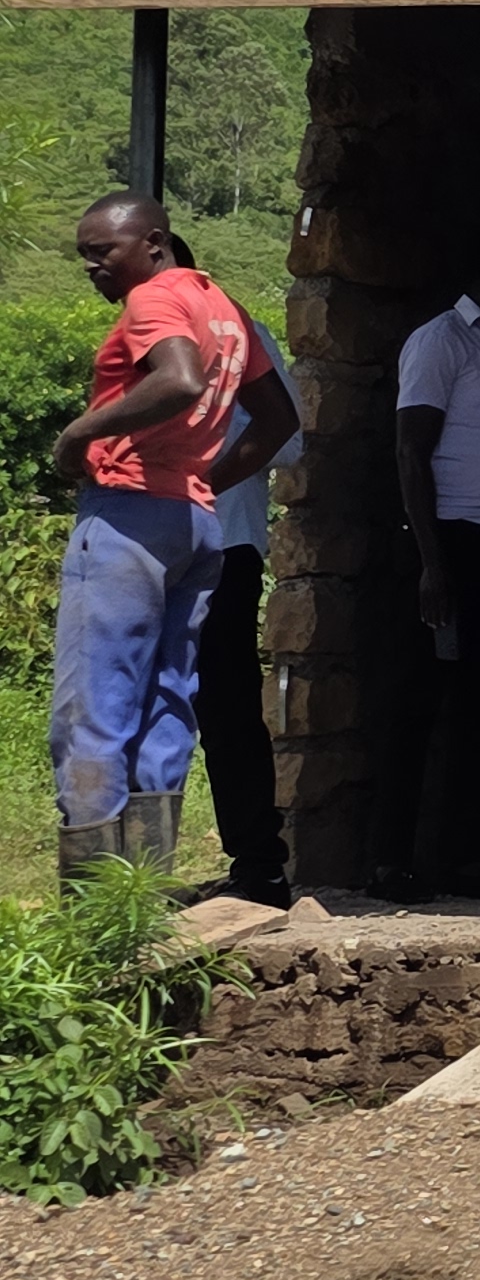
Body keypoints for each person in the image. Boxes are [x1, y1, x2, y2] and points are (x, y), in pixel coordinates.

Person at [41, 194, 252, 878]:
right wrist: (201, 479)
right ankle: (147, 896)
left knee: (92, 709)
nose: (93, 268)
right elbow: (277, 416)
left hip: (128, 516)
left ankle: (97, 917)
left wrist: (79, 432)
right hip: (194, 523)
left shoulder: (153, 300)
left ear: (154, 244)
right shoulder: (222, 307)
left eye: (103, 252)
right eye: (86, 256)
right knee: (168, 700)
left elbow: (180, 379)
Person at [385, 226, 480, 899]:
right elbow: (410, 451)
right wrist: (432, 561)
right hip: (448, 540)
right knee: (417, 702)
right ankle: (392, 860)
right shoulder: (441, 339)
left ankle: (462, 859)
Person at [169, 232, 304, 905]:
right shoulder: (137, 337)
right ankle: (132, 876)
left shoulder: (237, 333)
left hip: (222, 544)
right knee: (148, 704)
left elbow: (289, 434)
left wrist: (201, 478)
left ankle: (259, 866)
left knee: (224, 707)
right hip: (151, 552)